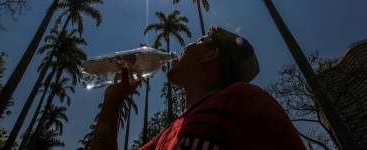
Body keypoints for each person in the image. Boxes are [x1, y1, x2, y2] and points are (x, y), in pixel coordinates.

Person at [91, 26, 306, 150]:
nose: (184, 47)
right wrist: (112, 102)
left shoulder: (243, 100)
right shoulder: (164, 137)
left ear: (211, 54)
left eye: (198, 40)